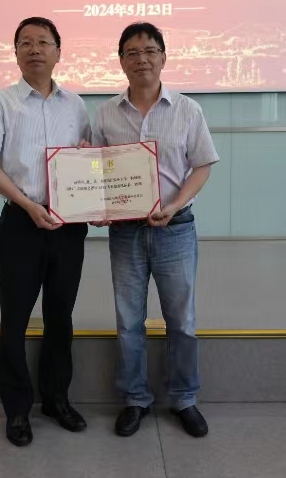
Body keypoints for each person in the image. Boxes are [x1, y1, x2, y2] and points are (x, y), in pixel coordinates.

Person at [91, 22, 219, 438]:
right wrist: (96, 206)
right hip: (125, 232)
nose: (141, 59)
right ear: (121, 61)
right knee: (129, 320)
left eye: (149, 50)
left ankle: (184, 398)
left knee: (181, 320)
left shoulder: (187, 110)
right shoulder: (106, 113)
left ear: (164, 56)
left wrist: (175, 204)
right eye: (132, 52)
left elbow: (202, 166)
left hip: (175, 229)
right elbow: (94, 171)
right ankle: (135, 398)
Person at [0, 17, 91, 447]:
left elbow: (86, 161)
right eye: (25, 42)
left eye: (43, 42)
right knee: (15, 319)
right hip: (21, 224)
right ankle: (18, 409)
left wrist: (88, 169)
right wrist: (28, 205)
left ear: (59, 51)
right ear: (16, 53)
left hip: (68, 226)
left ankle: (57, 399)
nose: (35, 49)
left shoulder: (76, 105)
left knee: (61, 317)